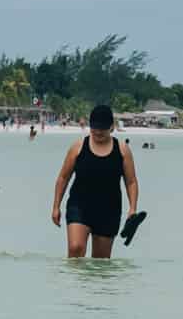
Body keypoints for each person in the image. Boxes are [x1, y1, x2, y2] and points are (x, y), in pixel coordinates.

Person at [52, 103, 141, 259]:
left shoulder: (122, 150)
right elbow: (63, 177)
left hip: (109, 210)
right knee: (76, 248)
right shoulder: (78, 147)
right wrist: (56, 206)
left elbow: (131, 182)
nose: (98, 132)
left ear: (111, 127)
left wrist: (132, 208)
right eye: (95, 128)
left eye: (103, 128)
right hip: (79, 206)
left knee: (100, 263)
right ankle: (72, 276)